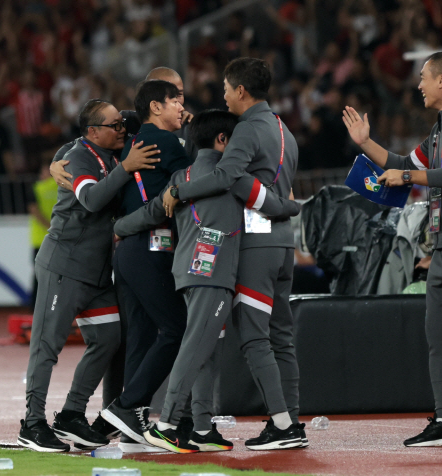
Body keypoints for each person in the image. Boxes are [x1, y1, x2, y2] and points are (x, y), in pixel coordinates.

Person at [343, 51, 442, 447]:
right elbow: (400, 163)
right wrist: (366, 145)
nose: (418, 85)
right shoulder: (439, 130)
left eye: (423, 78)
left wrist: (409, 174)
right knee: (436, 333)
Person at [115, 109, 301, 452]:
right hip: (214, 275)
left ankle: (202, 428)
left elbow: (152, 212)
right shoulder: (232, 178)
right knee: (197, 346)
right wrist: (293, 206)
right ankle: (167, 424)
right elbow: (276, 205)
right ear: (223, 140)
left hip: (185, 272)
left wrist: (118, 229)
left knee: (205, 346)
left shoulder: (180, 176)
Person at [162, 57, 305, 450]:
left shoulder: (245, 130)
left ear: (241, 91)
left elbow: (226, 177)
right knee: (282, 337)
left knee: (254, 340)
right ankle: (291, 418)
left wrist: (176, 192)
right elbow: (277, 188)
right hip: (283, 244)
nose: (224, 97)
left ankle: (282, 426)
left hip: (254, 246)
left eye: (226, 90)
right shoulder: (284, 130)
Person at [18, 99, 157, 452]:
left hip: (95, 273)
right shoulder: (80, 157)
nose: (121, 130)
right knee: (47, 345)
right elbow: (93, 200)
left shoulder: (107, 150)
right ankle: (32, 423)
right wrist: (125, 168)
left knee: (109, 338)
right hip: (63, 266)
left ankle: (71, 414)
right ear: (93, 131)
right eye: (114, 126)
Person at [101, 80, 192, 448]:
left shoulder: (131, 144)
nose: (181, 108)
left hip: (125, 253)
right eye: (176, 101)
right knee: (176, 327)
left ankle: (132, 421)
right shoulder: (167, 142)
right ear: (156, 107)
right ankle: (127, 405)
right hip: (151, 249)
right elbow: (195, 180)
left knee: (140, 334)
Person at [26, 161, 59, 310]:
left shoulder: (36, 188)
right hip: (58, 237)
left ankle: (35, 308)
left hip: (40, 238)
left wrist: (49, 227)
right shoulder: (61, 186)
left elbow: (33, 210)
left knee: (39, 275)